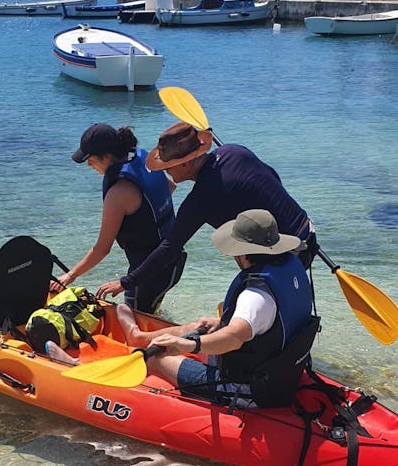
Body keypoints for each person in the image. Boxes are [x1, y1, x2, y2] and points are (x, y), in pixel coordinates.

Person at [95, 121, 315, 306]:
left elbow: (170, 248)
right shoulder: (233, 150)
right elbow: (272, 176)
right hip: (307, 230)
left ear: (187, 162)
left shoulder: (202, 197)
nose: (164, 170)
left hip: (288, 250)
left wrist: (126, 282)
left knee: (254, 314)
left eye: (169, 165)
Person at [113, 209, 315, 407]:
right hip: (276, 368)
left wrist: (192, 346)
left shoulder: (255, 296)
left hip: (246, 387)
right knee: (198, 326)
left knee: (153, 357)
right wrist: (221, 323)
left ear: (242, 253)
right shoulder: (290, 268)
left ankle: (141, 351)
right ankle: (137, 336)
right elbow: (271, 322)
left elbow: (235, 338)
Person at [57, 123, 186, 314]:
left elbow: (102, 249)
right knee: (151, 312)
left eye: (90, 159)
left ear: (106, 157)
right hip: (174, 260)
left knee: (134, 321)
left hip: (149, 274)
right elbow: (169, 186)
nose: (88, 164)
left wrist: (70, 275)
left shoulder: (118, 193)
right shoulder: (145, 161)